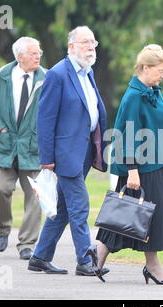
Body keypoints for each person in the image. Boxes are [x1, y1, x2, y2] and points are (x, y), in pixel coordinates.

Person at [88, 44, 163, 284]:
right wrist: (132, 170)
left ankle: (97, 254)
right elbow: (127, 134)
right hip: (139, 166)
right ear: (145, 68)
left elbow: (153, 120)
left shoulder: (153, 90)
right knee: (150, 215)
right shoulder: (134, 95)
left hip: (153, 162)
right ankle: (153, 267)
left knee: (127, 212)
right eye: (160, 70)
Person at [27, 26, 108, 276]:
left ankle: (39, 257)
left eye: (93, 42)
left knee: (62, 208)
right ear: (71, 46)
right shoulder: (57, 74)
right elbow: (45, 119)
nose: (91, 47)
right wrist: (47, 158)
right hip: (64, 154)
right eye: (85, 42)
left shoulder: (88, 72)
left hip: (84, 151)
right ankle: (85, 261)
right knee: (79, 205)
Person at [0, 37, 46, 260]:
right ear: (20, 57)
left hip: (34, 147)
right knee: (0, 189)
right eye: (33, 53)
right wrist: (2, 130)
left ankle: (26, 243)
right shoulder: (2, 76)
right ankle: (3, 228)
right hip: (4, 145)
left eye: (39, 52)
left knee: (36, 196)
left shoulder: (47, 78)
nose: (38, 56)